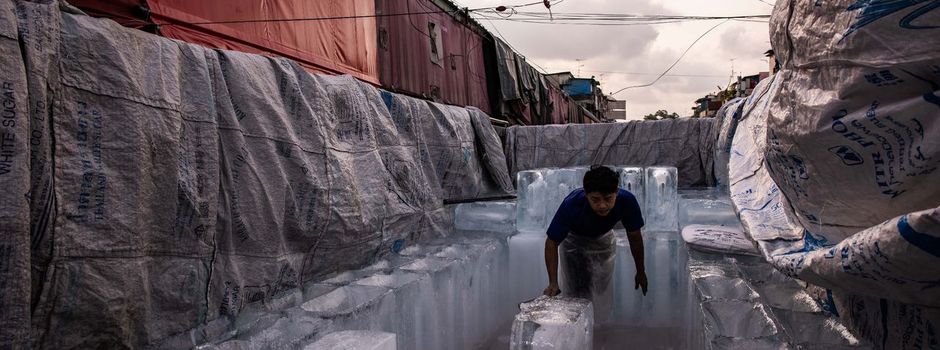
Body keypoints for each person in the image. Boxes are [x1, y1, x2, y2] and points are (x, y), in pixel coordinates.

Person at [542, 165, 647, 300]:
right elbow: (551, 242)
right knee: (579, 289)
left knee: (601, 289)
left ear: (616, 192)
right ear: (586, 194)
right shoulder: (572, 204)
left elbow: (634, 236)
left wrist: (640, 271)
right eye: (595, 199)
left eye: (608, 198)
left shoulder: (627, 201)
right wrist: (553, 283)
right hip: (575, 243)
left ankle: (601, 320)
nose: (602, 205)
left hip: (603, 240)